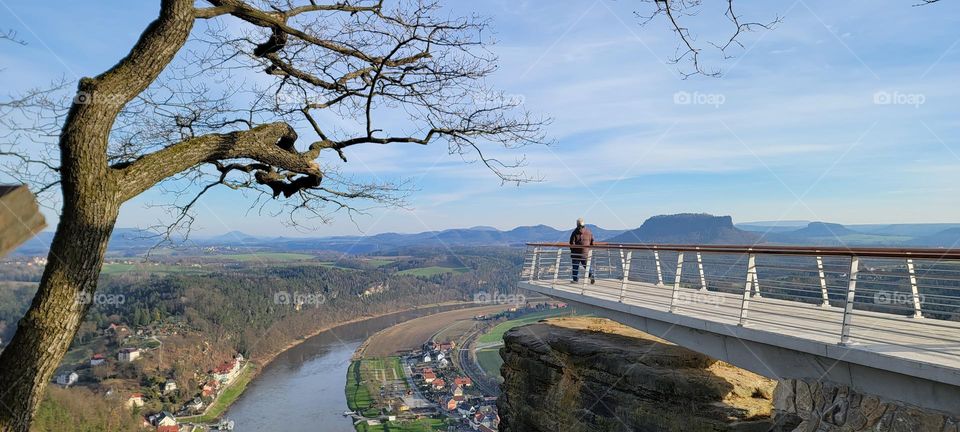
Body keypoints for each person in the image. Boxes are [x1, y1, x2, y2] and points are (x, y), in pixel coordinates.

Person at [569, 218, 595, 284]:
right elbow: (592, 241)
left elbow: (571, 243)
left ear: (577, 224)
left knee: (575, 266)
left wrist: (572, 250)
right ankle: (591, 275)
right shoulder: (588, 231)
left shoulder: (575, 232)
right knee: (586, 266)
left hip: (576, 253)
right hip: (585, 253)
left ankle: (575, 280)